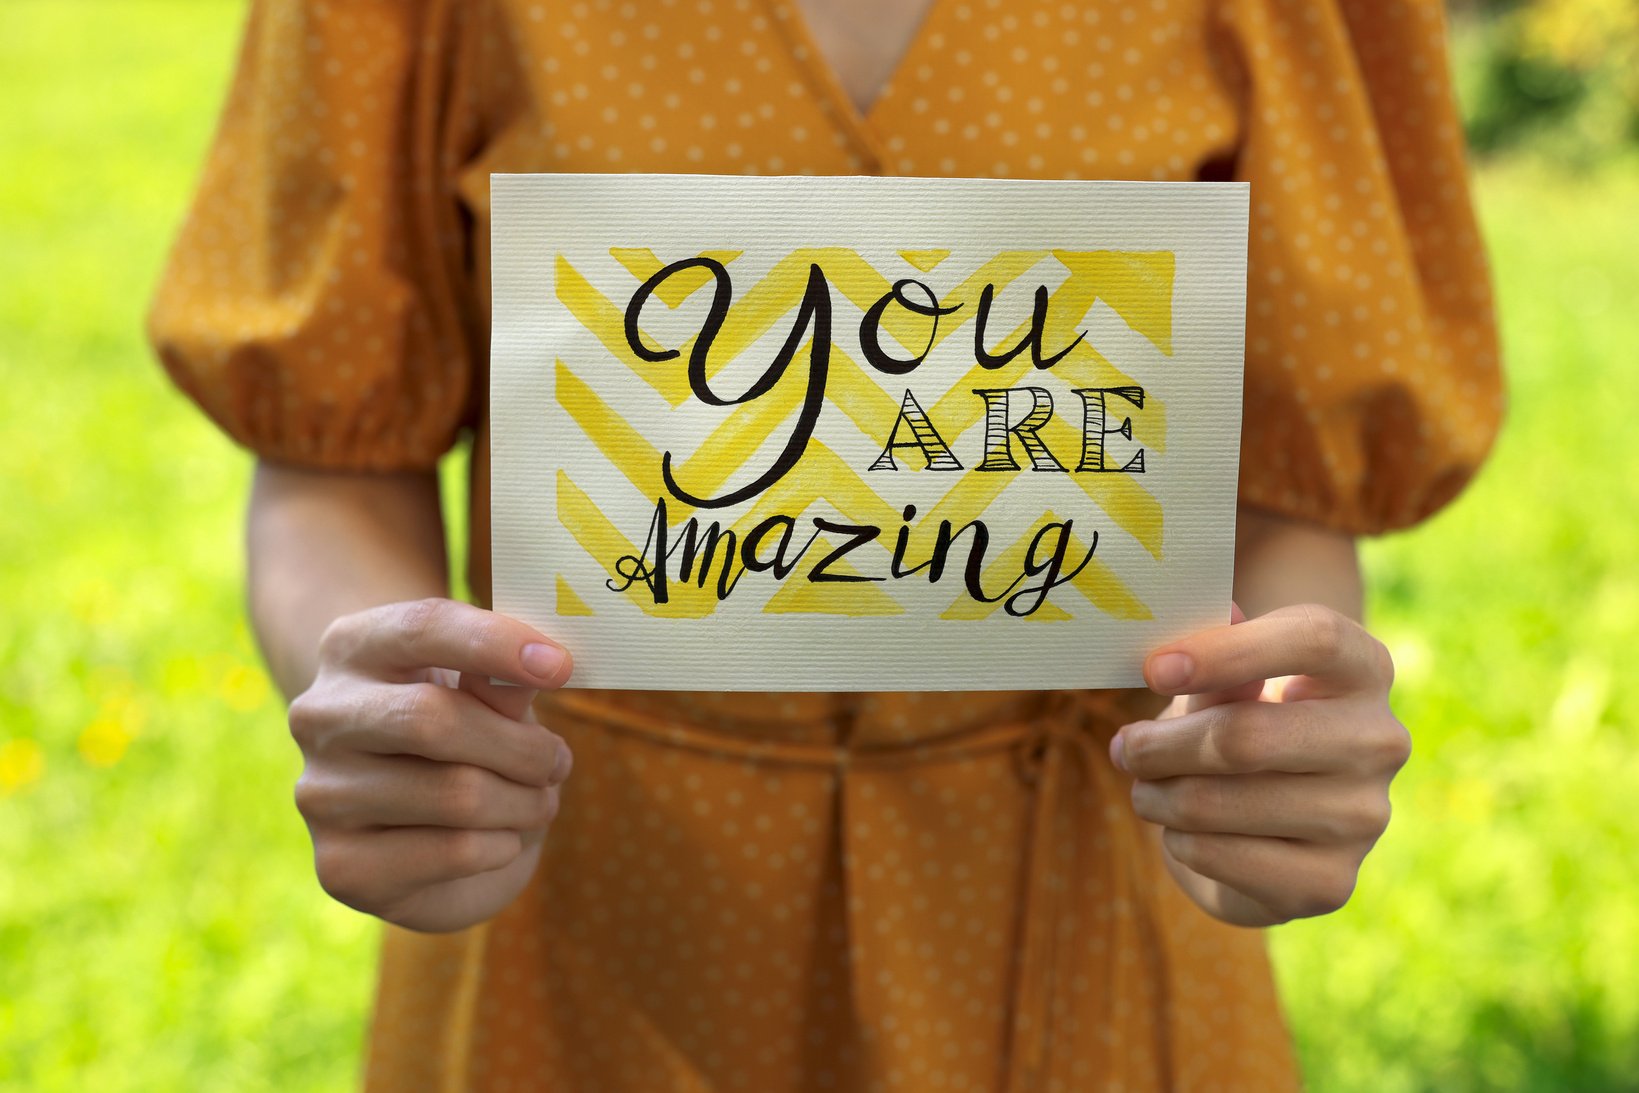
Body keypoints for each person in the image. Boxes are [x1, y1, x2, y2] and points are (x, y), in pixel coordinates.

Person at [147, 0, 1503, 1088]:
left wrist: (1270, 730)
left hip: (1084, 918)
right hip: (569, 907)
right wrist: (385, 699)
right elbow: (336, 447)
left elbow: (1280, 478)